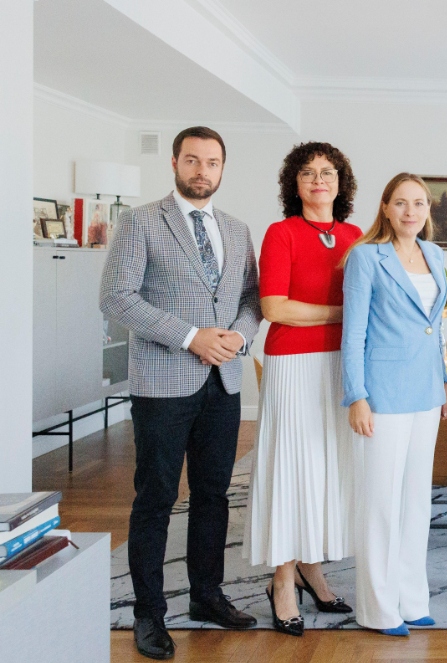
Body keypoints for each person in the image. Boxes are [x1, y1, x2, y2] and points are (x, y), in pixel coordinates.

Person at [100, 126, 262, 660]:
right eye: (192, 160)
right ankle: (149, 613)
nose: (202, 171)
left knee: (213, 495)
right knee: (156, 497)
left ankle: (206, 596)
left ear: (222, 168)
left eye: (212, 162)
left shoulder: (236, 229)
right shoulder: (141, 221)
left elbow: (251, 298)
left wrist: (238, 337)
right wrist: (192, 337)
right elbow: (116, 298)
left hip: (224, 382)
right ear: (174, 163)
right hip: (163, 384)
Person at [242, 142, 363, 636]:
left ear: (341, 183)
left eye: (327, 172)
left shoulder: (355, 236)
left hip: (341, 365)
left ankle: (312, 567)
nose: (319, 180)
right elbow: (275, 307)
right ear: (294, 183)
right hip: (292, 364)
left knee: (329, 469)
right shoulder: (282, 233)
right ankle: (283, 579)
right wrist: (342, 313)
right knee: (292, 468)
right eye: (308, 172)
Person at [341, 173, 447, 636]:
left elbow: (435, 328)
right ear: (386, 207)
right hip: (382, 393)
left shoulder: (434, 254)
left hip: (426, 391)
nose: (411, 212)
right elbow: (353, 333)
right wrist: (357, 395)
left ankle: (411, 598)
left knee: (415, 500)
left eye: (420, 203)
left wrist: (443, 381)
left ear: (429, 209)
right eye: (402, 203)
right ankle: (377, 608)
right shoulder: (366, 257)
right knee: (381, 503)